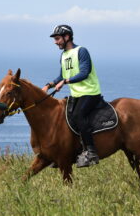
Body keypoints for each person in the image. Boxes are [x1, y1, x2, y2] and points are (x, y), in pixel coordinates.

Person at [42, 24, 102, 167]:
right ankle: (68, 151)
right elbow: (62, 76)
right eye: (55, 39)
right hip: (76, 94)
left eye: (57, 39)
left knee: (79, 116)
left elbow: (84, 72)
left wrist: (65, 82)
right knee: (64, 117)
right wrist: (49, 85)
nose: (55, 42)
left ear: (67, 37)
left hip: (90, 92)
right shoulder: (63, 55)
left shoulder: (81, 51)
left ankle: (91, 152)